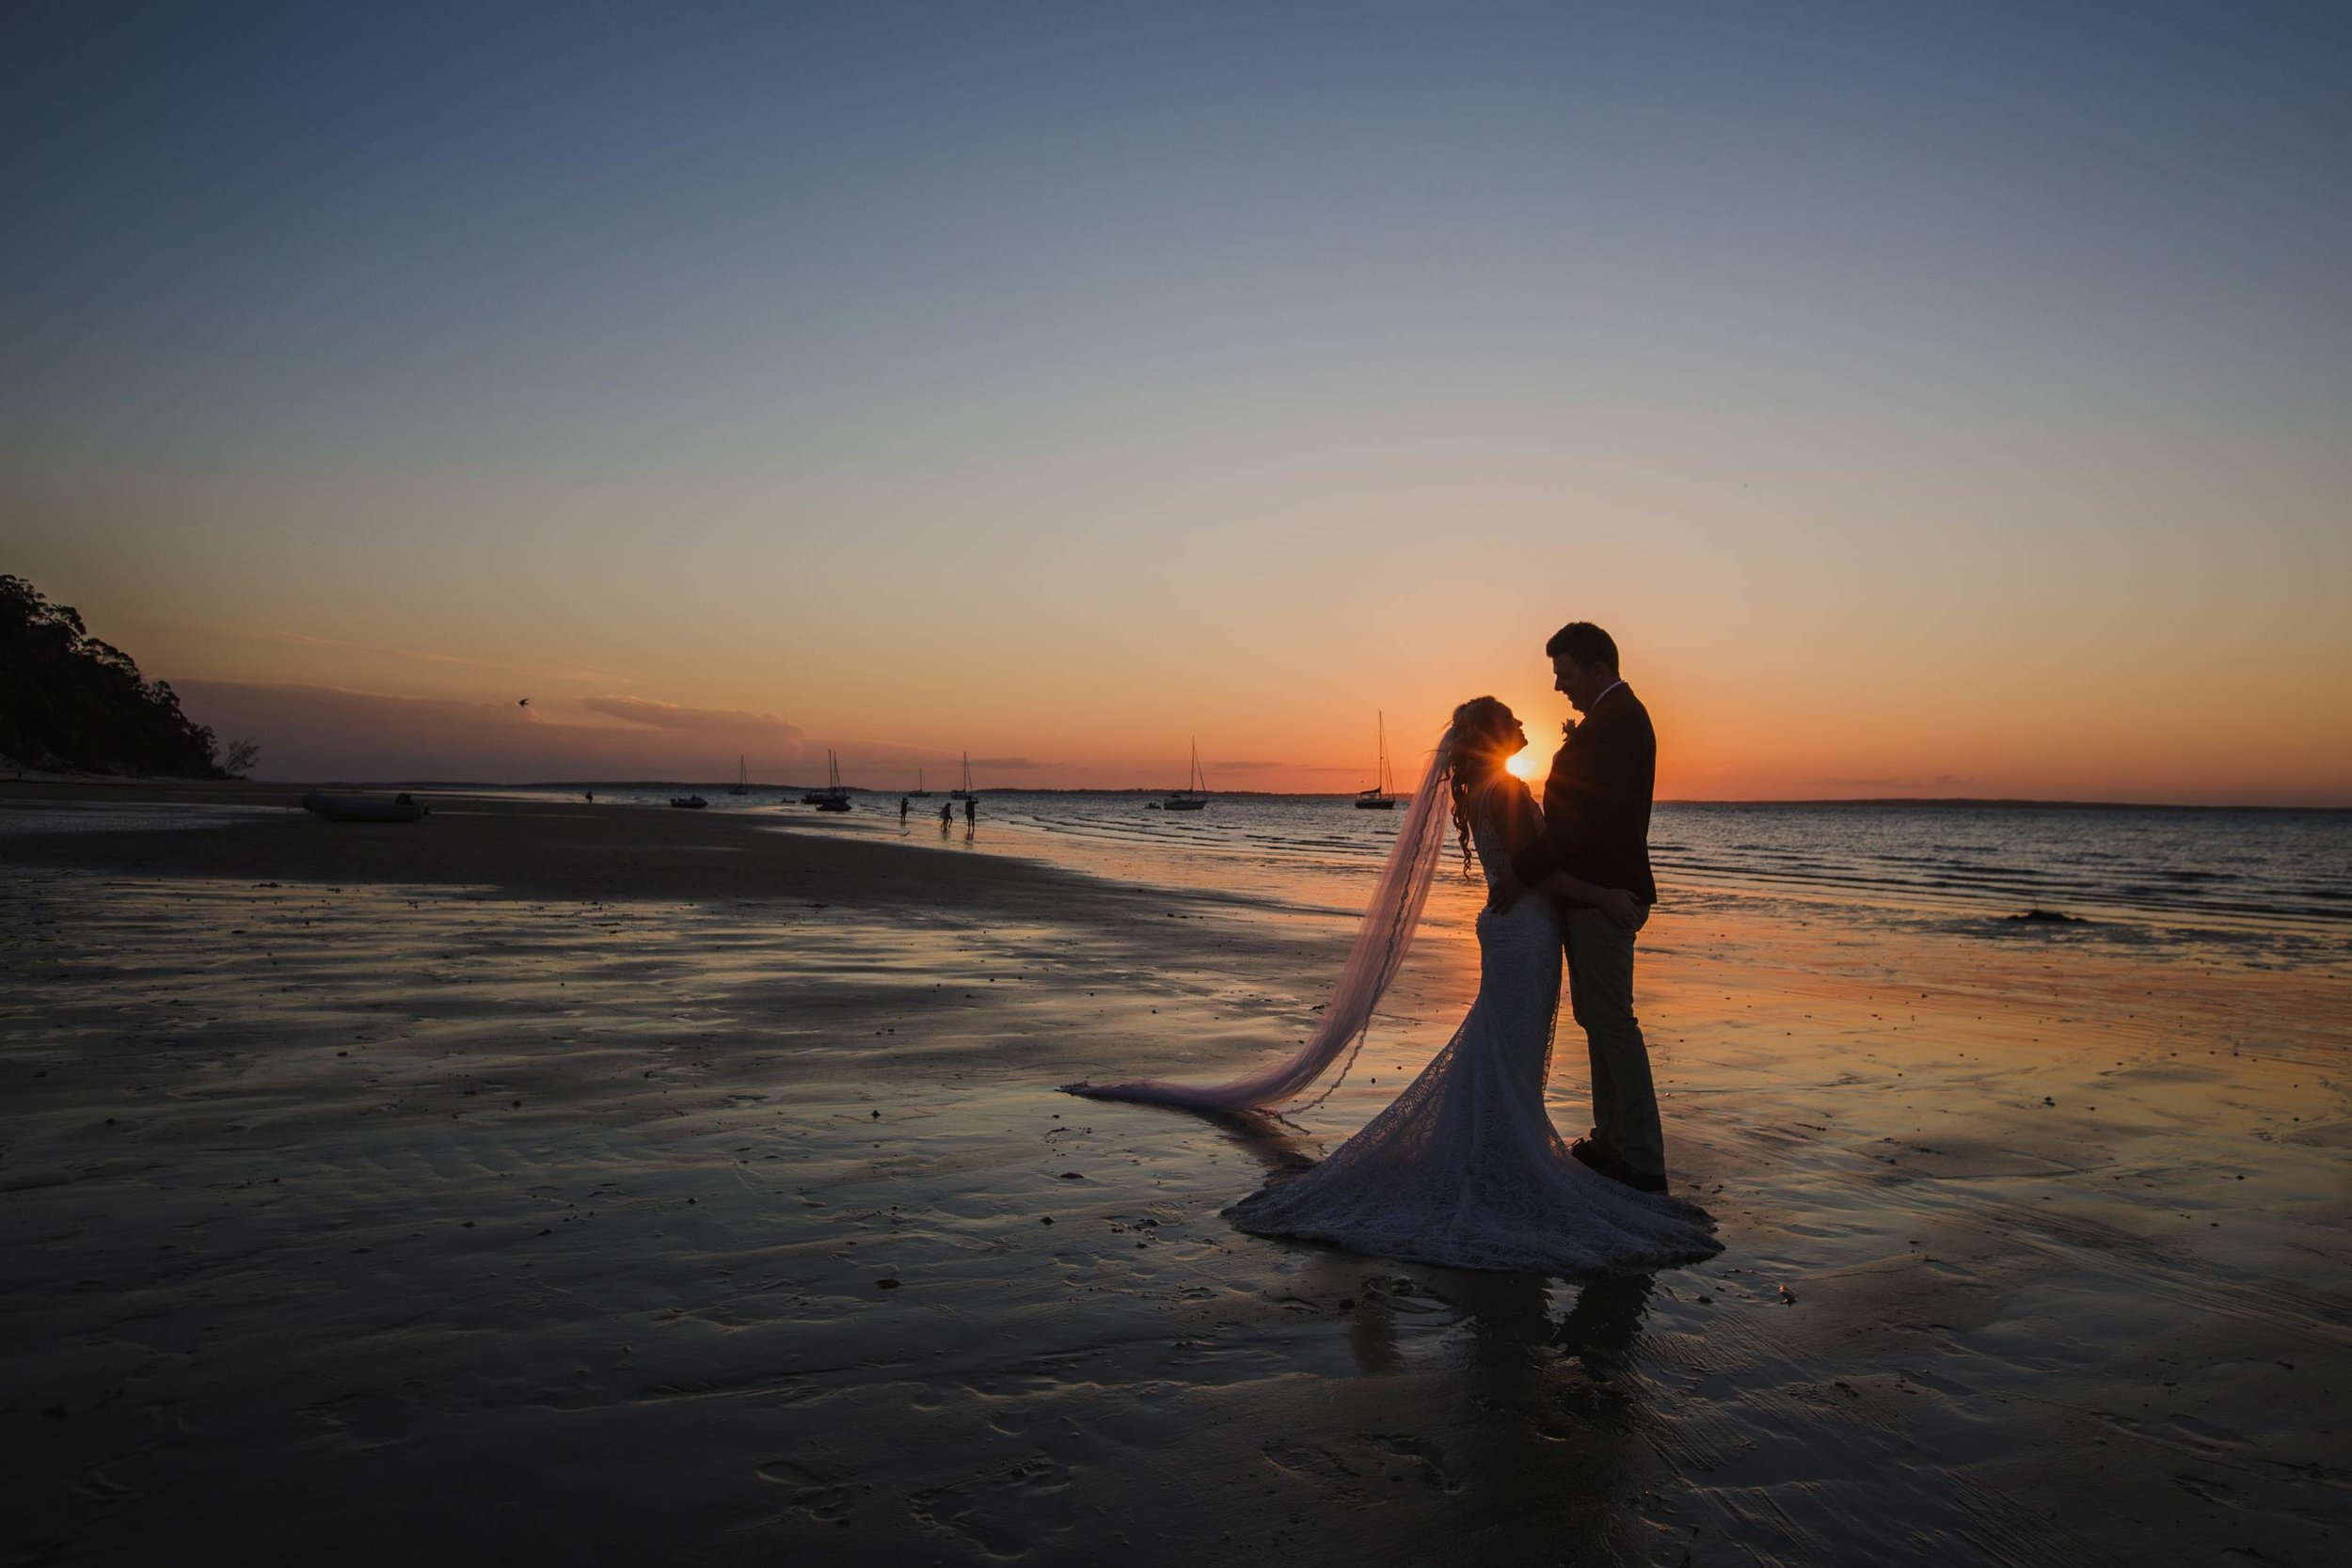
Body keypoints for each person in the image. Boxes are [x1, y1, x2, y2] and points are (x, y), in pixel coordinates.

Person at [1067, 697, 1715, 1275]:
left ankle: (1494, 1151)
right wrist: (1603, 892)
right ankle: (1503, 1161)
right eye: (1511, 719)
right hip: (1527, 935)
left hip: (1512, 930)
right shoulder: (1509, 791)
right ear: (1493, 735)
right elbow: (1533, 874)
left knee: (1501, 1047)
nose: (1522, 722)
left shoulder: (1485, 788)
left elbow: (1520, 871)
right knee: (1509, 1050)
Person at [1487, 623, 1669, 1194]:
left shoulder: (1618, 724)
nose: (1560, 687)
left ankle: (1640, 1156)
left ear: (1599, 668)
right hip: (1592, 892)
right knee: (1598, 1019)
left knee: (1613, 1022)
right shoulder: (1607, 723)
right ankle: (1613, 1139)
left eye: (1565, 674)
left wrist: (1522, 871)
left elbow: (1580, 827)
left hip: (1605, 895)